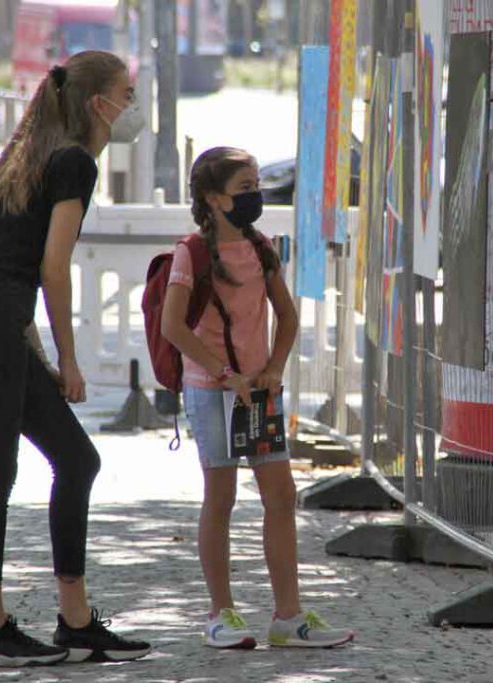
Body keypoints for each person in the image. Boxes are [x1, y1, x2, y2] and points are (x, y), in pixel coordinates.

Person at [0, 50, 151, 667]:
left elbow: (8, 262)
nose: (131, 106)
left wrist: (34, 355)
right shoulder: (74, 162)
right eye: (126, 94)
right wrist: (70, 360)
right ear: (97, 104)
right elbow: (51, 270)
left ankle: (75, 621)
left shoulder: (33, 155)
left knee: (77, 460)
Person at [160, 147, 355, 649]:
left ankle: (287, 616)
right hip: (211, 391)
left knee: (281, 496)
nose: (255, 197)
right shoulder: (193, 253)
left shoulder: (261, 246)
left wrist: (272, 369)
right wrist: (225, 374)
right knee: (220, 498)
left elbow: (286, 318)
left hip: (258, 393)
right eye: (243, 189)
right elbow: (174, 327)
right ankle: (220, 613)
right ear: (212, 197)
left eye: (255, 188)